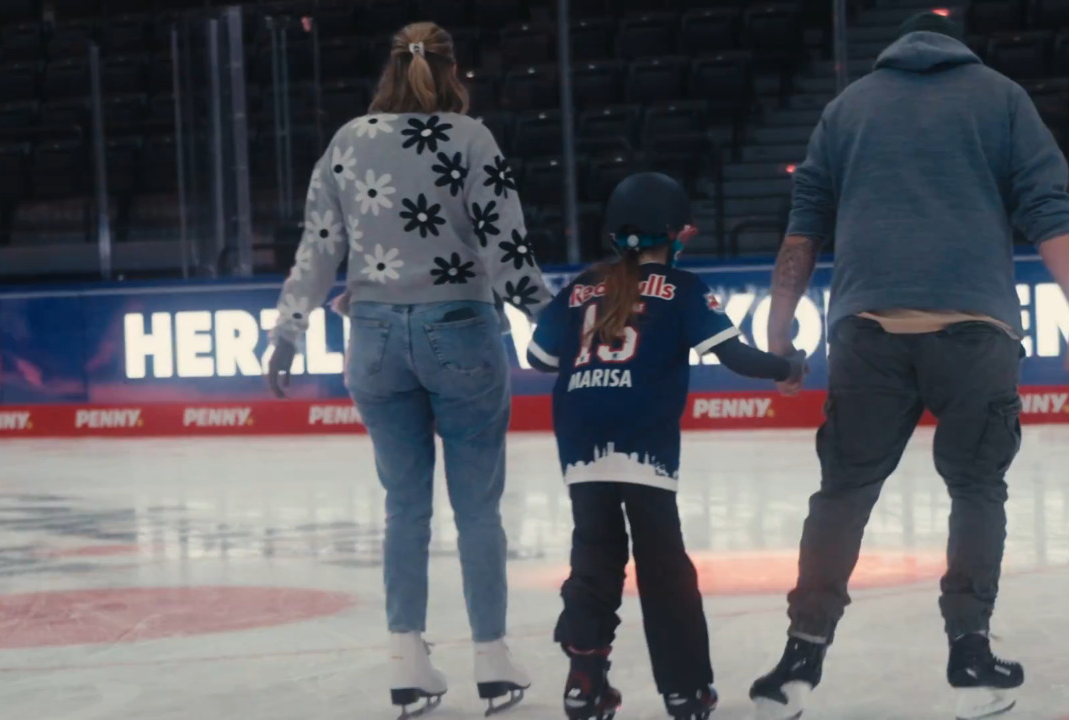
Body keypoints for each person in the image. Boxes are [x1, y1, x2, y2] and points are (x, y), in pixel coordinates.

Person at [749, 12, 1069, 720]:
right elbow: (1047, 206)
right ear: (958, 48)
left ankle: (800, 656)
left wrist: (780, 323)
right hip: (975, 330)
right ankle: (970, 647)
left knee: (843, 493)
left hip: (868, 330)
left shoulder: (847, 106)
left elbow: (806, 221)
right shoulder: (1001, 96)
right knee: (977, 488)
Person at [264, 21, 552, 718]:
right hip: (461, 331)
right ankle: (491, 659)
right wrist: (554, 316)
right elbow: (507, 249)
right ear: (454, 72)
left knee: (404, 509)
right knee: (478, 508)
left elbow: (318, 247)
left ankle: (407, 662)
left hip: (373, 338)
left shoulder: (349, 141)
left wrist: (289, 329)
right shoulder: (471, 138)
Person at [525, 173, 807, 720]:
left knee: (594, 559)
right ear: (674, 235)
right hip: (643, 442)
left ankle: (584, 682)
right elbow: (737, 358)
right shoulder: (682, 288)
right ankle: (685, 691)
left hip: (580, 439)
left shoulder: (581, 285)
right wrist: (788, 367)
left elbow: (539, 360)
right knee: (663, 568)